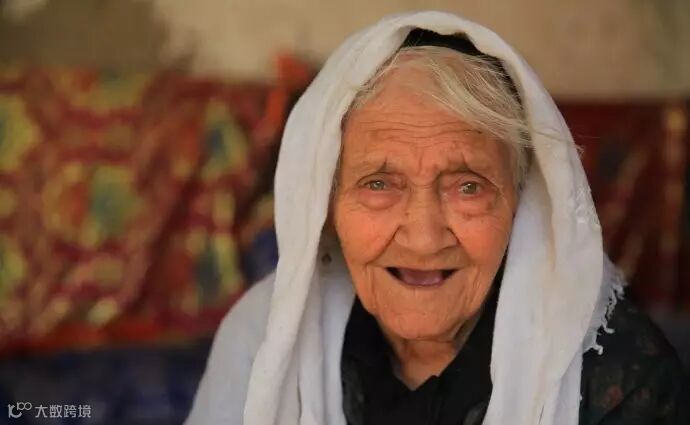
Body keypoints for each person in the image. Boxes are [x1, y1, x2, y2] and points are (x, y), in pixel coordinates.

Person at [185, 11, 689, 425]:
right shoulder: (261, 339)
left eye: (468, 186)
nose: (424, 239)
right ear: (327, 206)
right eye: (379, 184)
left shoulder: (622, 381)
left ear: (521, 203)